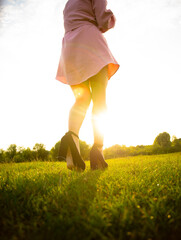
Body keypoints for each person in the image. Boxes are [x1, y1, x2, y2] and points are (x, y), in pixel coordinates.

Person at [56, 0, 119, 171]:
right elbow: (103, 20)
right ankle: (98, 150)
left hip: (70, 46)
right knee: (100, 98)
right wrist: (112, 17)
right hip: (90, 41)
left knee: (82, 99)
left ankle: (72, 141)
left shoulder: (69, 2)